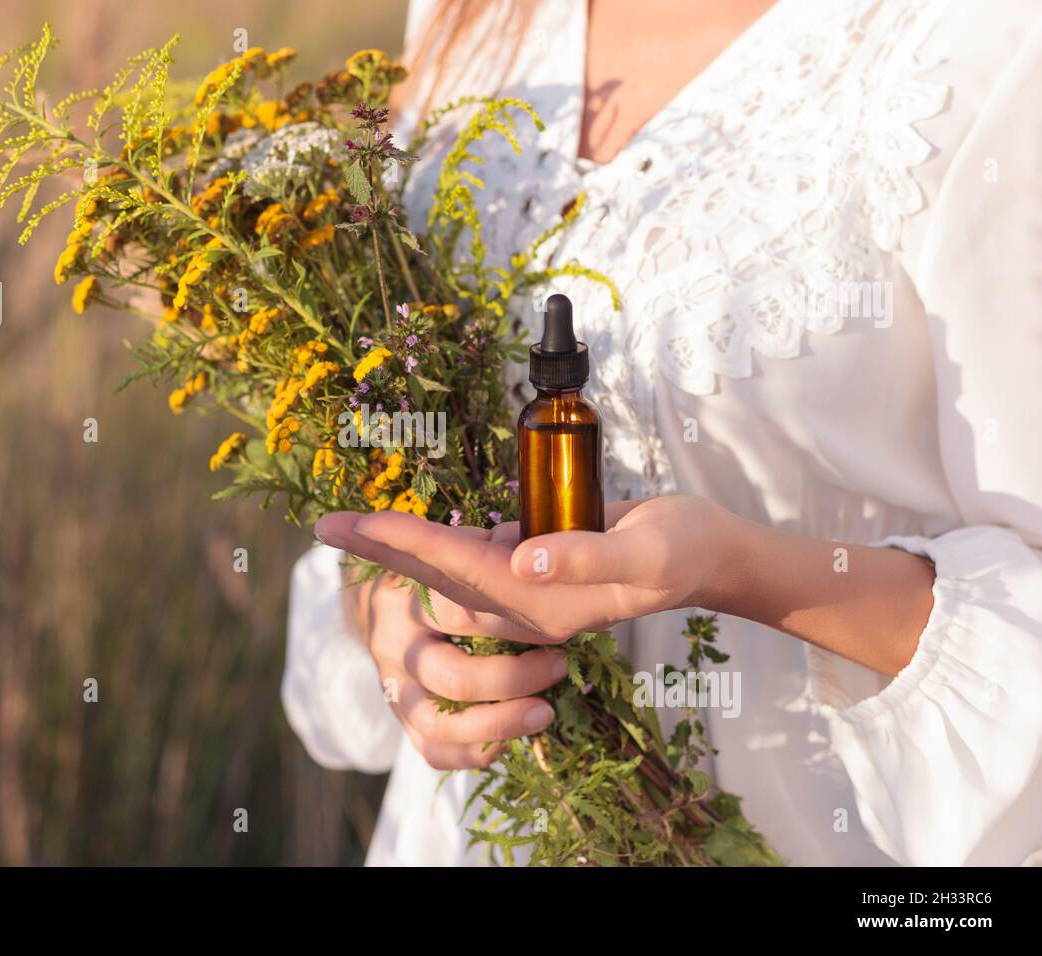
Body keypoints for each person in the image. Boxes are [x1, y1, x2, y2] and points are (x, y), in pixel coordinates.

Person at [284, 0, 1042, 866]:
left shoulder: (989, 45)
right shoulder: (467, 20)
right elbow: (395, 481)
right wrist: (398, 616)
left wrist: (736, 569)